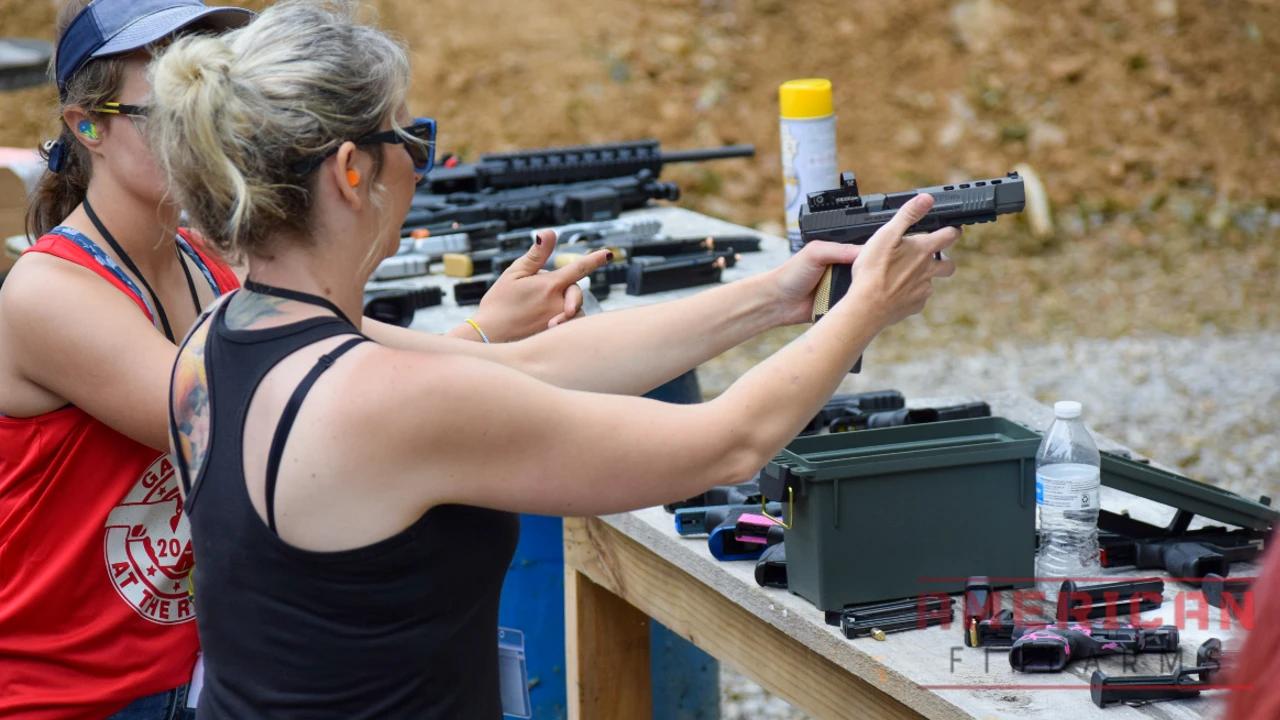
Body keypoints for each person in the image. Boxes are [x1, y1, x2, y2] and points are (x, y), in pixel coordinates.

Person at [151, 1, 957, 717]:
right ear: (353, 171)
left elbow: (528, 372)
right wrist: (864, 312)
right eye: (413, 141)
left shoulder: (224, 335)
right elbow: (725, 444)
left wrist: (776, 298)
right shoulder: (382, 401)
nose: (419, 164)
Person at [0, 1, 603, 717]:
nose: (202, 129)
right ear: (86, 125)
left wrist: (481, 333)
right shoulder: (50, 291)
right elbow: (258, 417)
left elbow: (333, 376)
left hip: (185, 677)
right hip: (67, 698)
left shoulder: (207, 264)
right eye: (171, 109)